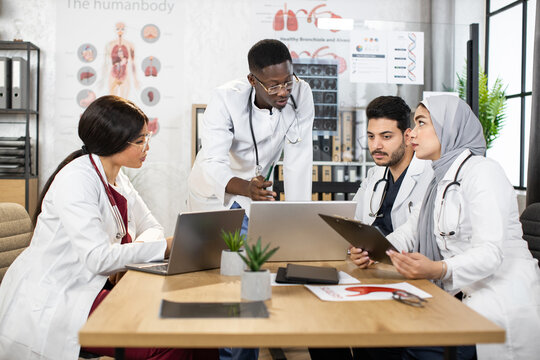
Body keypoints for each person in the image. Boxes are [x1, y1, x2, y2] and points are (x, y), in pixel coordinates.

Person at [0, 96, 217, 360]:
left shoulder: (117, 177)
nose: (147, 147)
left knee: (202, 327)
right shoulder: (76, 180)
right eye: (139, 141)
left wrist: (133, 253)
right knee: (170, 339)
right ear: (112, 142)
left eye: (147, 137)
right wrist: (166, 247)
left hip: (94, 287)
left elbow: (153, 226)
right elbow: (98, 259)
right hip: (61, 297)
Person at [359, 95, 540, 359]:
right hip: (463, 293)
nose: (411, 133)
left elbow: (490, 252)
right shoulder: (438, 177)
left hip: (500, 297)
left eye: (421, 123)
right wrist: (372, 249)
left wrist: (438, 268)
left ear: (449, 128)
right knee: (385, 332)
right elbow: (410, 231)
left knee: (418, 347)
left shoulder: (484, 172)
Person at [188, 39, 314, 234]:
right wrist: (246, 188)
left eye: (288, 82)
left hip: (256, 190)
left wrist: (298, 219)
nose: (283, 92)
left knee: (259, 251)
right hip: (215, 188)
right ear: (252, 80)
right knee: (218, 255)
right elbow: (213, 162)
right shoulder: (226, 98)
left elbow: (299, 160)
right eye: (273, 86)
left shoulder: (301, 93)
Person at [348, 96, 432, 271]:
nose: (376, 145)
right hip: (373, 268)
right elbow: (351, 221)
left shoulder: (430, 176)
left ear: (407, 136)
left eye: (386, 136)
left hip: (408, 271)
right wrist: (355, 249)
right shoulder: (375, 174)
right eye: (371, 136)